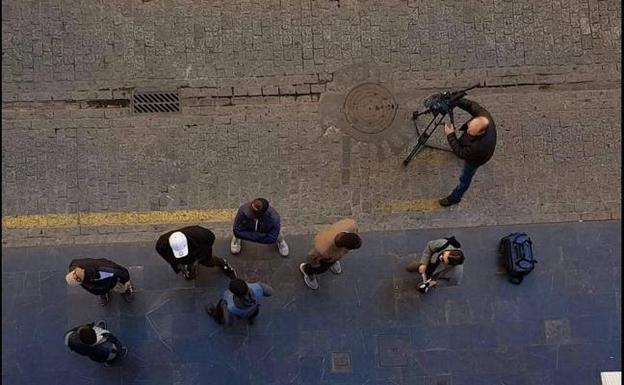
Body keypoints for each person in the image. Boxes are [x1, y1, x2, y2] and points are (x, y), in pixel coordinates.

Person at [440, 97, 497, 206]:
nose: (467, 130)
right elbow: (471, 105)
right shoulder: (484, 117)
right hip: (477, 149)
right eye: (469, 127)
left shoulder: (477, 147)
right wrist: (456, 100)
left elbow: (460, 152)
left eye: (470, 131)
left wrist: (450, 134)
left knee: (465, 178)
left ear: (480, 133)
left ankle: (455, 197)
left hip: (476, 160)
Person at [298, 218, 361, 290]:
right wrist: (315, 266)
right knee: (320, 269)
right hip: (324, 258)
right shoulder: (322, 248)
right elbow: (312, 258)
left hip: (332, 257)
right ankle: (306, 271)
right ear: (342, 247)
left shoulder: (351, 225)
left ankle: (333, 261)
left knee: (334, 258)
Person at [155, 225, 236, 280]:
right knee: (186, 266)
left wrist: (198, 258)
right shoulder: (161, 244)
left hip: (198, 251)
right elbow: (165, 256)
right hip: (179, 259)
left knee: (209, 262)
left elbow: (210, 240)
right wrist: (177, 265)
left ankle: (222, 263)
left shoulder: (201, 234)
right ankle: (189, 270)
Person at [66, 258, 134, 306]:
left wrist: (125, 281)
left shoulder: (104, 269)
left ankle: (126, 289)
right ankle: (102, 293)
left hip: (111, 282)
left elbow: (120, 272)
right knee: (99, 289)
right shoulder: (74, 266)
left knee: (121, 287)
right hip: (99, 285)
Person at [206, 278, 273, 325]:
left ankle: (217, 317)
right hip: (253, 309)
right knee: (254, 311)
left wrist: (224, 307)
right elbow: (270, 292)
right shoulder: (257, 288)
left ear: (235, 294)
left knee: (221, 303)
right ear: (245, 284)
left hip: (240, 315)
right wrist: (259, 284)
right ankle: (251, 319)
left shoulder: (231, 306)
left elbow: (229, 322)